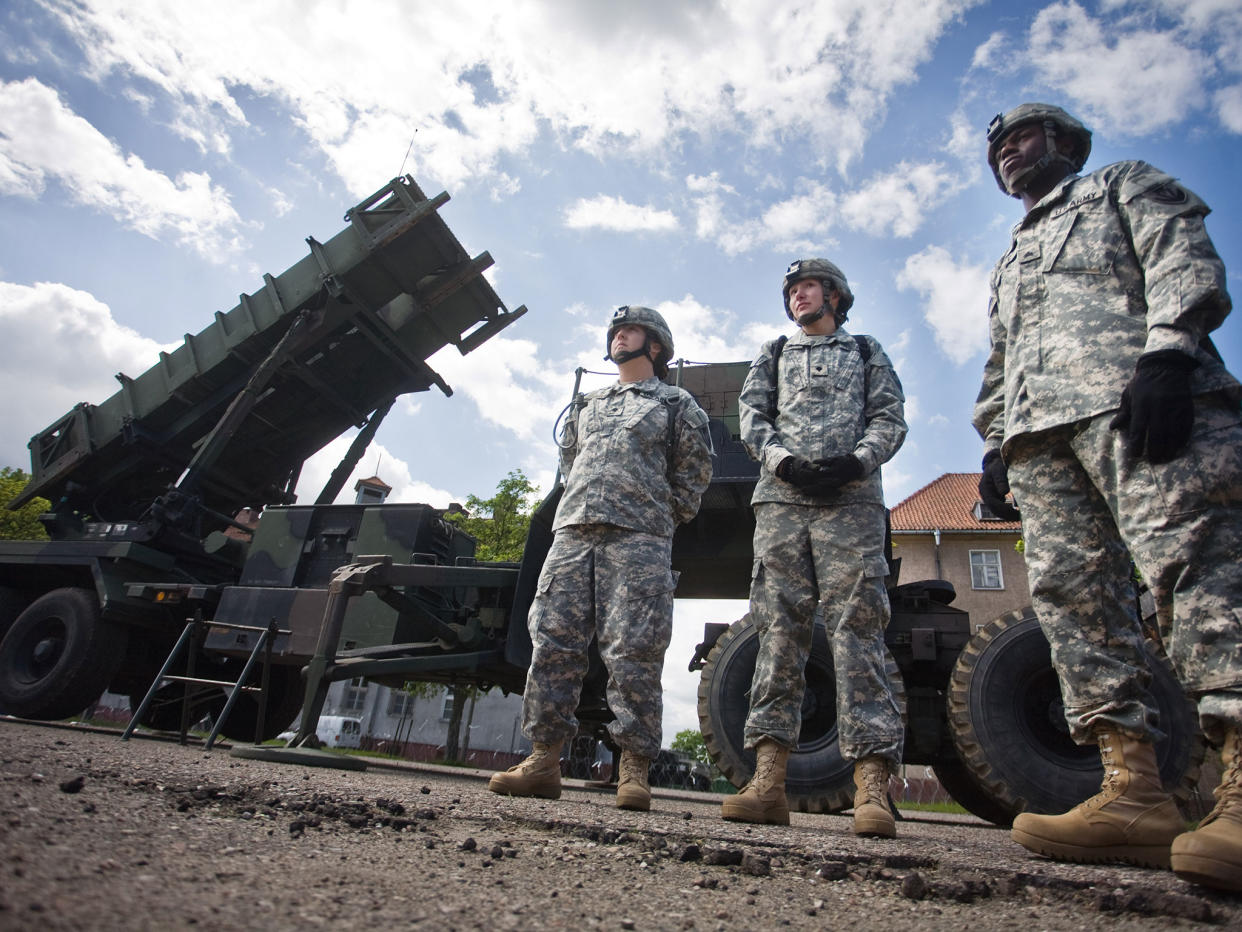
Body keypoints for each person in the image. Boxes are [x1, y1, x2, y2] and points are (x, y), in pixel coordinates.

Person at [974, 103, 1242, 892]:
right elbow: (1001, 361)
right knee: (1072, 602)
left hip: (1136, 405)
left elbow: (1180, 252)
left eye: (1021, 136)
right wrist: (995, 439)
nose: (1008, 153)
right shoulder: (1010, 257)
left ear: (1064, 144)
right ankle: (1135, 793)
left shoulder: (1120, 186)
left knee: (1197, 570)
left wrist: (1169, 355)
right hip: (1042, 442)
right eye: (997, 149)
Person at [488, 305, 712, 811]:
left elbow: (693, 476)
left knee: (634, 651)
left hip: (639, 539)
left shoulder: (677, 404)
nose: (619, 337)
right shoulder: (587, 405)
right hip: (571, 536)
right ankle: (544, 759)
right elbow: (569, 465)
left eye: (630, 330)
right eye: (615, 331)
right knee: (552, 643)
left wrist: (656, 519)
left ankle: (633, 767)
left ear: (654, 345)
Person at [725, 258, 908, 836]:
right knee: (778, 634)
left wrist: (858, 461)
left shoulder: (866, 351)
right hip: (781, 505)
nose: (797, 296)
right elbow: (750, 417)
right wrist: (785, 464)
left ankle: (872, 788)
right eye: (791, 290)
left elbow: (890, 417)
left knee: (859, 632)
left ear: (834, 296)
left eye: (807, 287)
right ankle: (768, 781)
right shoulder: (774, 353)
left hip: (852, 506)